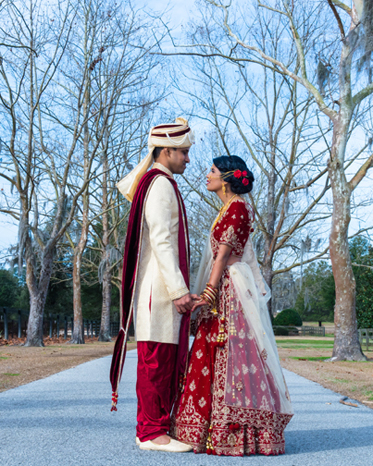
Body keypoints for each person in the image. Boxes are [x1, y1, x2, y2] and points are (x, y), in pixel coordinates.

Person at [171, 155, 293, 456]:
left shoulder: (237, 207)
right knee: (212, 350)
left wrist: (209, 292)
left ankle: (236, 435)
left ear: (226, 178)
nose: (206, 174)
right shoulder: (227, 208)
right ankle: (205, 430)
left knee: (233, 352)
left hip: (229, 289)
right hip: (224, 284)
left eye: (212, 171)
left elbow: (223, 254)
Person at [110, 118, 195, 453]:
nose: (188, 159)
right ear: (166, 150)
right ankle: (150, 433)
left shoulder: (158, 181)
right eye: (184, 153)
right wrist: (179, 290)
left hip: (158, 289)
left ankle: (155, 427)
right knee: (155, 361)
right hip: (158, 291)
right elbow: (162, 242)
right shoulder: (159, 185)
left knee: (158, 359)